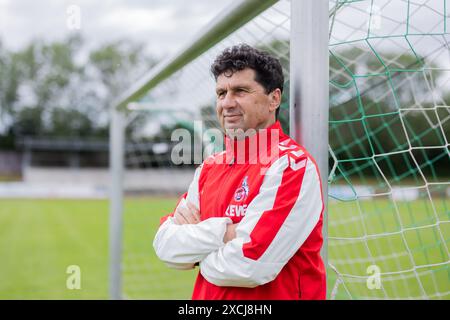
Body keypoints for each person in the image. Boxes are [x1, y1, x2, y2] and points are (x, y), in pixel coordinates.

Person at [153, 44, 326, 300]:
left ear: (274, 99)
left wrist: (196, 253)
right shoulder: (209, 168)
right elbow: (166, 245)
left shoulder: (291, 166)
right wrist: (225, 232)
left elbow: (250, 266)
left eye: (240, 91)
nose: (227, 103)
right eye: (221, 93)